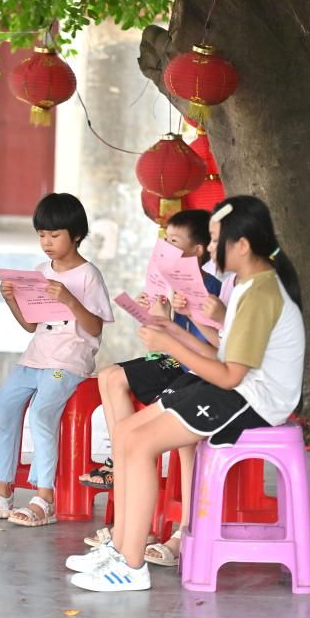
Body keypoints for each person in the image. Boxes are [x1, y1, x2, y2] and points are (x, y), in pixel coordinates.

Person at [67, 195, 304, 592]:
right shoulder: (246, 284)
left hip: (255, 400)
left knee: (140, 443)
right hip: (237, 386)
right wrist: (173, 331)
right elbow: (222, 355)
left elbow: (230, 376)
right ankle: (122, 547)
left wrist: (171, 345)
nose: (209, 249)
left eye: (216, 241)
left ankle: (131, 566)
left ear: (242, 245)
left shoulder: (262, 292)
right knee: (125, 434)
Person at [81, 210, 223, 560]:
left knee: (187, 442)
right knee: (110, 376)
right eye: (165, 242)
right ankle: (123, 464)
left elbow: (214, 349)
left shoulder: (210, 289)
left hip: (196, 369)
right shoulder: (170, 285)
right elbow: (161, 341)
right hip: (174, 362)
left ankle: (183, 532)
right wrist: (155, 314)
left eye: (175, 243)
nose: (166, 250)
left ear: (198, 251)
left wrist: (181, 316)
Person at [0, 193, 113, 526]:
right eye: (41, 235)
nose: (46, 242)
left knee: (43, 412)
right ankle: (1, 492)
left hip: (66, 364)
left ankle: (45, 498)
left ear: (76, 234)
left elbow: (95, 328)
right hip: (35, 359)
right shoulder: (40, 271)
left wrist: (70, 300)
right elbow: (31, 325)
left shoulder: (88, 275)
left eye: (54, 235)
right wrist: (12, 300)